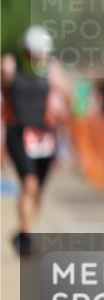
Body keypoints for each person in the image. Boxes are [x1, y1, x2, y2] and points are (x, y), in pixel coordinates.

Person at [1, 27, 69, 255]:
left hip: (44, 135)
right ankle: (27, 238)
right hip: (18, 133)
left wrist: (62, 89)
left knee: (38, 191)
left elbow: (68, 97)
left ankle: (24, 233)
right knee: (28, 184)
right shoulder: (11, 68)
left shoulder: (52, 70)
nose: (39, 57)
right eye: (34, 52)